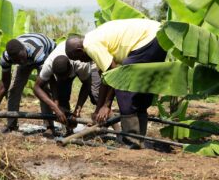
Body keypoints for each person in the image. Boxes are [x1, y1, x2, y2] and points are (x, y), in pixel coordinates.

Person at [65, 19, 167, 148]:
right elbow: (105, 79)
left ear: (80, 50)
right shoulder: (93, 38)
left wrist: (106, 105)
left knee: (124, 89)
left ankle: (132, 141)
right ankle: (139, 139)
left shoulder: (90, 46)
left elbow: (115, 75)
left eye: (79, 58)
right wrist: (98, 109)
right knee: (140, 89)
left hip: (149, 39)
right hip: (159, 36)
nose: (82, 61)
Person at [0, 33, 56, 133]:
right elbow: (4, 86)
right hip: (29, 56)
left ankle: (49, 125)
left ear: (24, 49)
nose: (21, 61)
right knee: (14, 89)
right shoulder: (6, 58)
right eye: (17, 61)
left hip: (47, 53)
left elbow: (46, 81)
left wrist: (56, 105)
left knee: (44, 88)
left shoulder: (37, 51)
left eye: (21, 58)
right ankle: (11, 125)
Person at [33, 42, 97, 137]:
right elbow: (36, 88)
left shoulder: (80, 63)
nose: (62, 79)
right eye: (59, 77)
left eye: (64, 76)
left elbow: (86, 84)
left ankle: (102, 124)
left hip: (88, 61)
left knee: (96, 95)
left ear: (70, 68)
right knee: (62, 96)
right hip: (63, 66)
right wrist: (55, 107)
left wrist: (77, 110)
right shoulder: (48, 64)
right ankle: (69, 128)